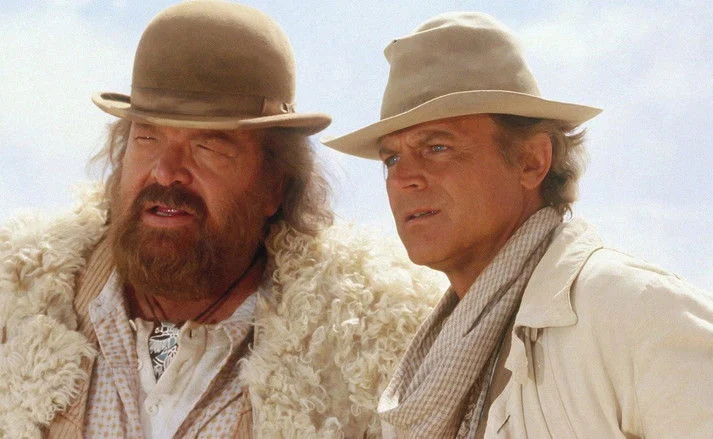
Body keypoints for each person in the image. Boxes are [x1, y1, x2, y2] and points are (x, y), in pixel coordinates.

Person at [323, 12, 713, 438]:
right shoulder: (436, 361)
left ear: (531, 161)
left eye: (437, 147)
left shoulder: (632, 310)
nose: (404, 178)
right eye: (391, 158)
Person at [0, 2, 441, 437]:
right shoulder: (16, 303)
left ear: (275, 183)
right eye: (147, 139)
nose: (166, 171)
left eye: (207, 147)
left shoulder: (365, 350)